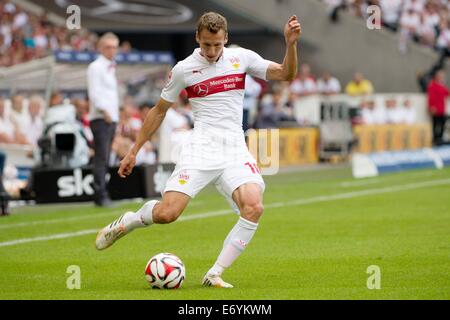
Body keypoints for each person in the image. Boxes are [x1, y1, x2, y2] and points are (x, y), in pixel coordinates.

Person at [95, 12, 301, 288]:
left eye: (217, 45)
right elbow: (159, 111)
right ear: (197, 39)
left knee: (253, 206)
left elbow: (286, 74)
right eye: (206, 45)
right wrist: (134, 150)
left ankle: (214, 273)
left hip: (234, 150)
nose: (212, 51)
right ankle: (131, 221)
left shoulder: (242, 59)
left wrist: (290, 44)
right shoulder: (183, 69)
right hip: (200, 149)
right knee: (168, 214)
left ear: (226, 39)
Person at [87, 32, 120, 207]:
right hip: (101, 118)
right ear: (100, 48)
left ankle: (102, 192)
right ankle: (100, 194)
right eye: (108, 47)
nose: (111, 50)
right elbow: (94, 93)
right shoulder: (96, 67)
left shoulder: (110, 66)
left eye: (114, 47)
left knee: (106, 157)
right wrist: (104, 111)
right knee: (101, 157)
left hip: (110, 117)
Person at [427, 70, 449, 145]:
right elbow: (431, 97)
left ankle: (440, 140)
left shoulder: (441, 86)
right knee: (435, 125)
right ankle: (435, 140)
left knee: (442, 124)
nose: (441, 78)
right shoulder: (432, 85)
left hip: (441, 109)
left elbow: (447, 93)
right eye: (440, 76)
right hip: (435, 109)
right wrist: (431, 107)